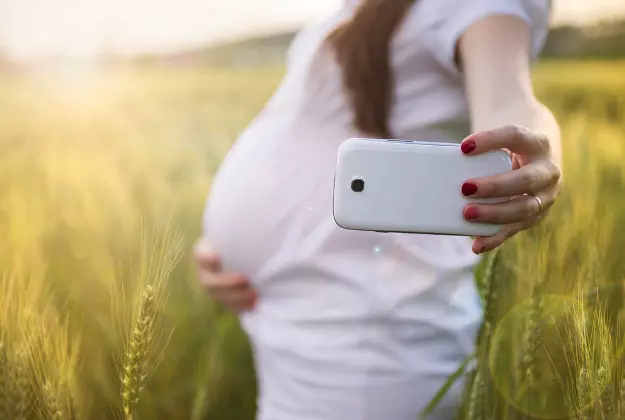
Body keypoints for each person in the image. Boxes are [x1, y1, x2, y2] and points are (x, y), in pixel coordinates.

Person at [195, 0, 562, 418]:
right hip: (292, 319)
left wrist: (539, 155)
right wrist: (221, 247)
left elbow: (510, 97)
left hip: (364, 340)